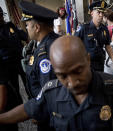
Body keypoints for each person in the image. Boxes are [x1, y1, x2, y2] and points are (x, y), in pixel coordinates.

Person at [0, 36, 113, 131]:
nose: (72, 83)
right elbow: (29, 109)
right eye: (62, 75)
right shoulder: (51, 92)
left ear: (87, 60)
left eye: (77, 71)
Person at [19, 1, 59, 131]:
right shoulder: (51, 41)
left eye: (27, 26)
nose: (26, 29)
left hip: (49, 116)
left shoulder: (45, 52)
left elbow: (47, 90)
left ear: (36, 27)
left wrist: (37, 111)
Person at [0, 6, 28, 131]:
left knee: (28, 83)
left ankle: (32, 104)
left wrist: (19, 31)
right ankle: (18, 110)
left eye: (1, 15)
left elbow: (22, 35)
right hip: (6, 65)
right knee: (14, 89)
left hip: (19, 60)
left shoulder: (10, 26)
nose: (0, 17)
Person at [74, 1, 113, 73]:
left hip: (100, 64)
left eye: (102, 13)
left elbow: (108, 46)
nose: (101, 15)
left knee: (98, 82)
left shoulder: (104, 29)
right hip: (87, 65)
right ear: (92, 13)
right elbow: (74, 43)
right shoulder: (84, 28)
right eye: (98, 12)